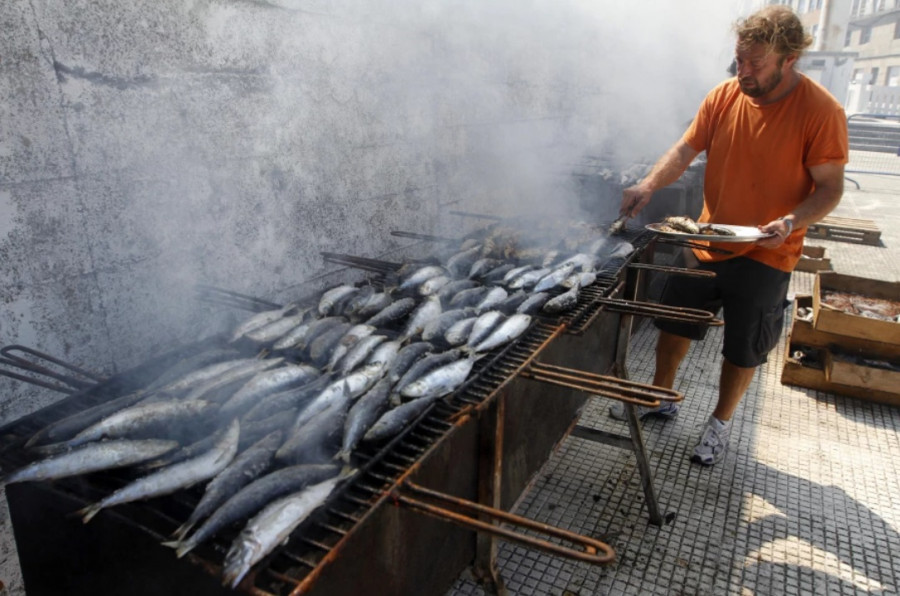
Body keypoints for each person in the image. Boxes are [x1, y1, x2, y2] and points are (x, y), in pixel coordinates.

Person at [609, 6, 848, 465]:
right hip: (707, 240)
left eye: (756, 63)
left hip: (767, 252)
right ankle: (660, 396)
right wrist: (647, 184)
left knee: (743, 347)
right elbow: (685, 148)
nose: (744, 71)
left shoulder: (821, 111)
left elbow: (830, 188)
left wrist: (790, 222)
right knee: (674, 324)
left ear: (789, 58)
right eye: (739, 60)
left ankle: (718, 424)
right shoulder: (723, 97)